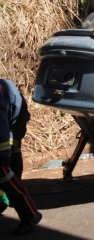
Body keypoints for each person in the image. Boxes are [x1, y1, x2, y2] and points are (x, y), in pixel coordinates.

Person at [0, 82, 42, 235]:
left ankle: (30, 215)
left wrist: (3, 156)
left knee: (7, 175)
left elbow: (2, 129)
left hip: (13, 123)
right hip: (8, 116)